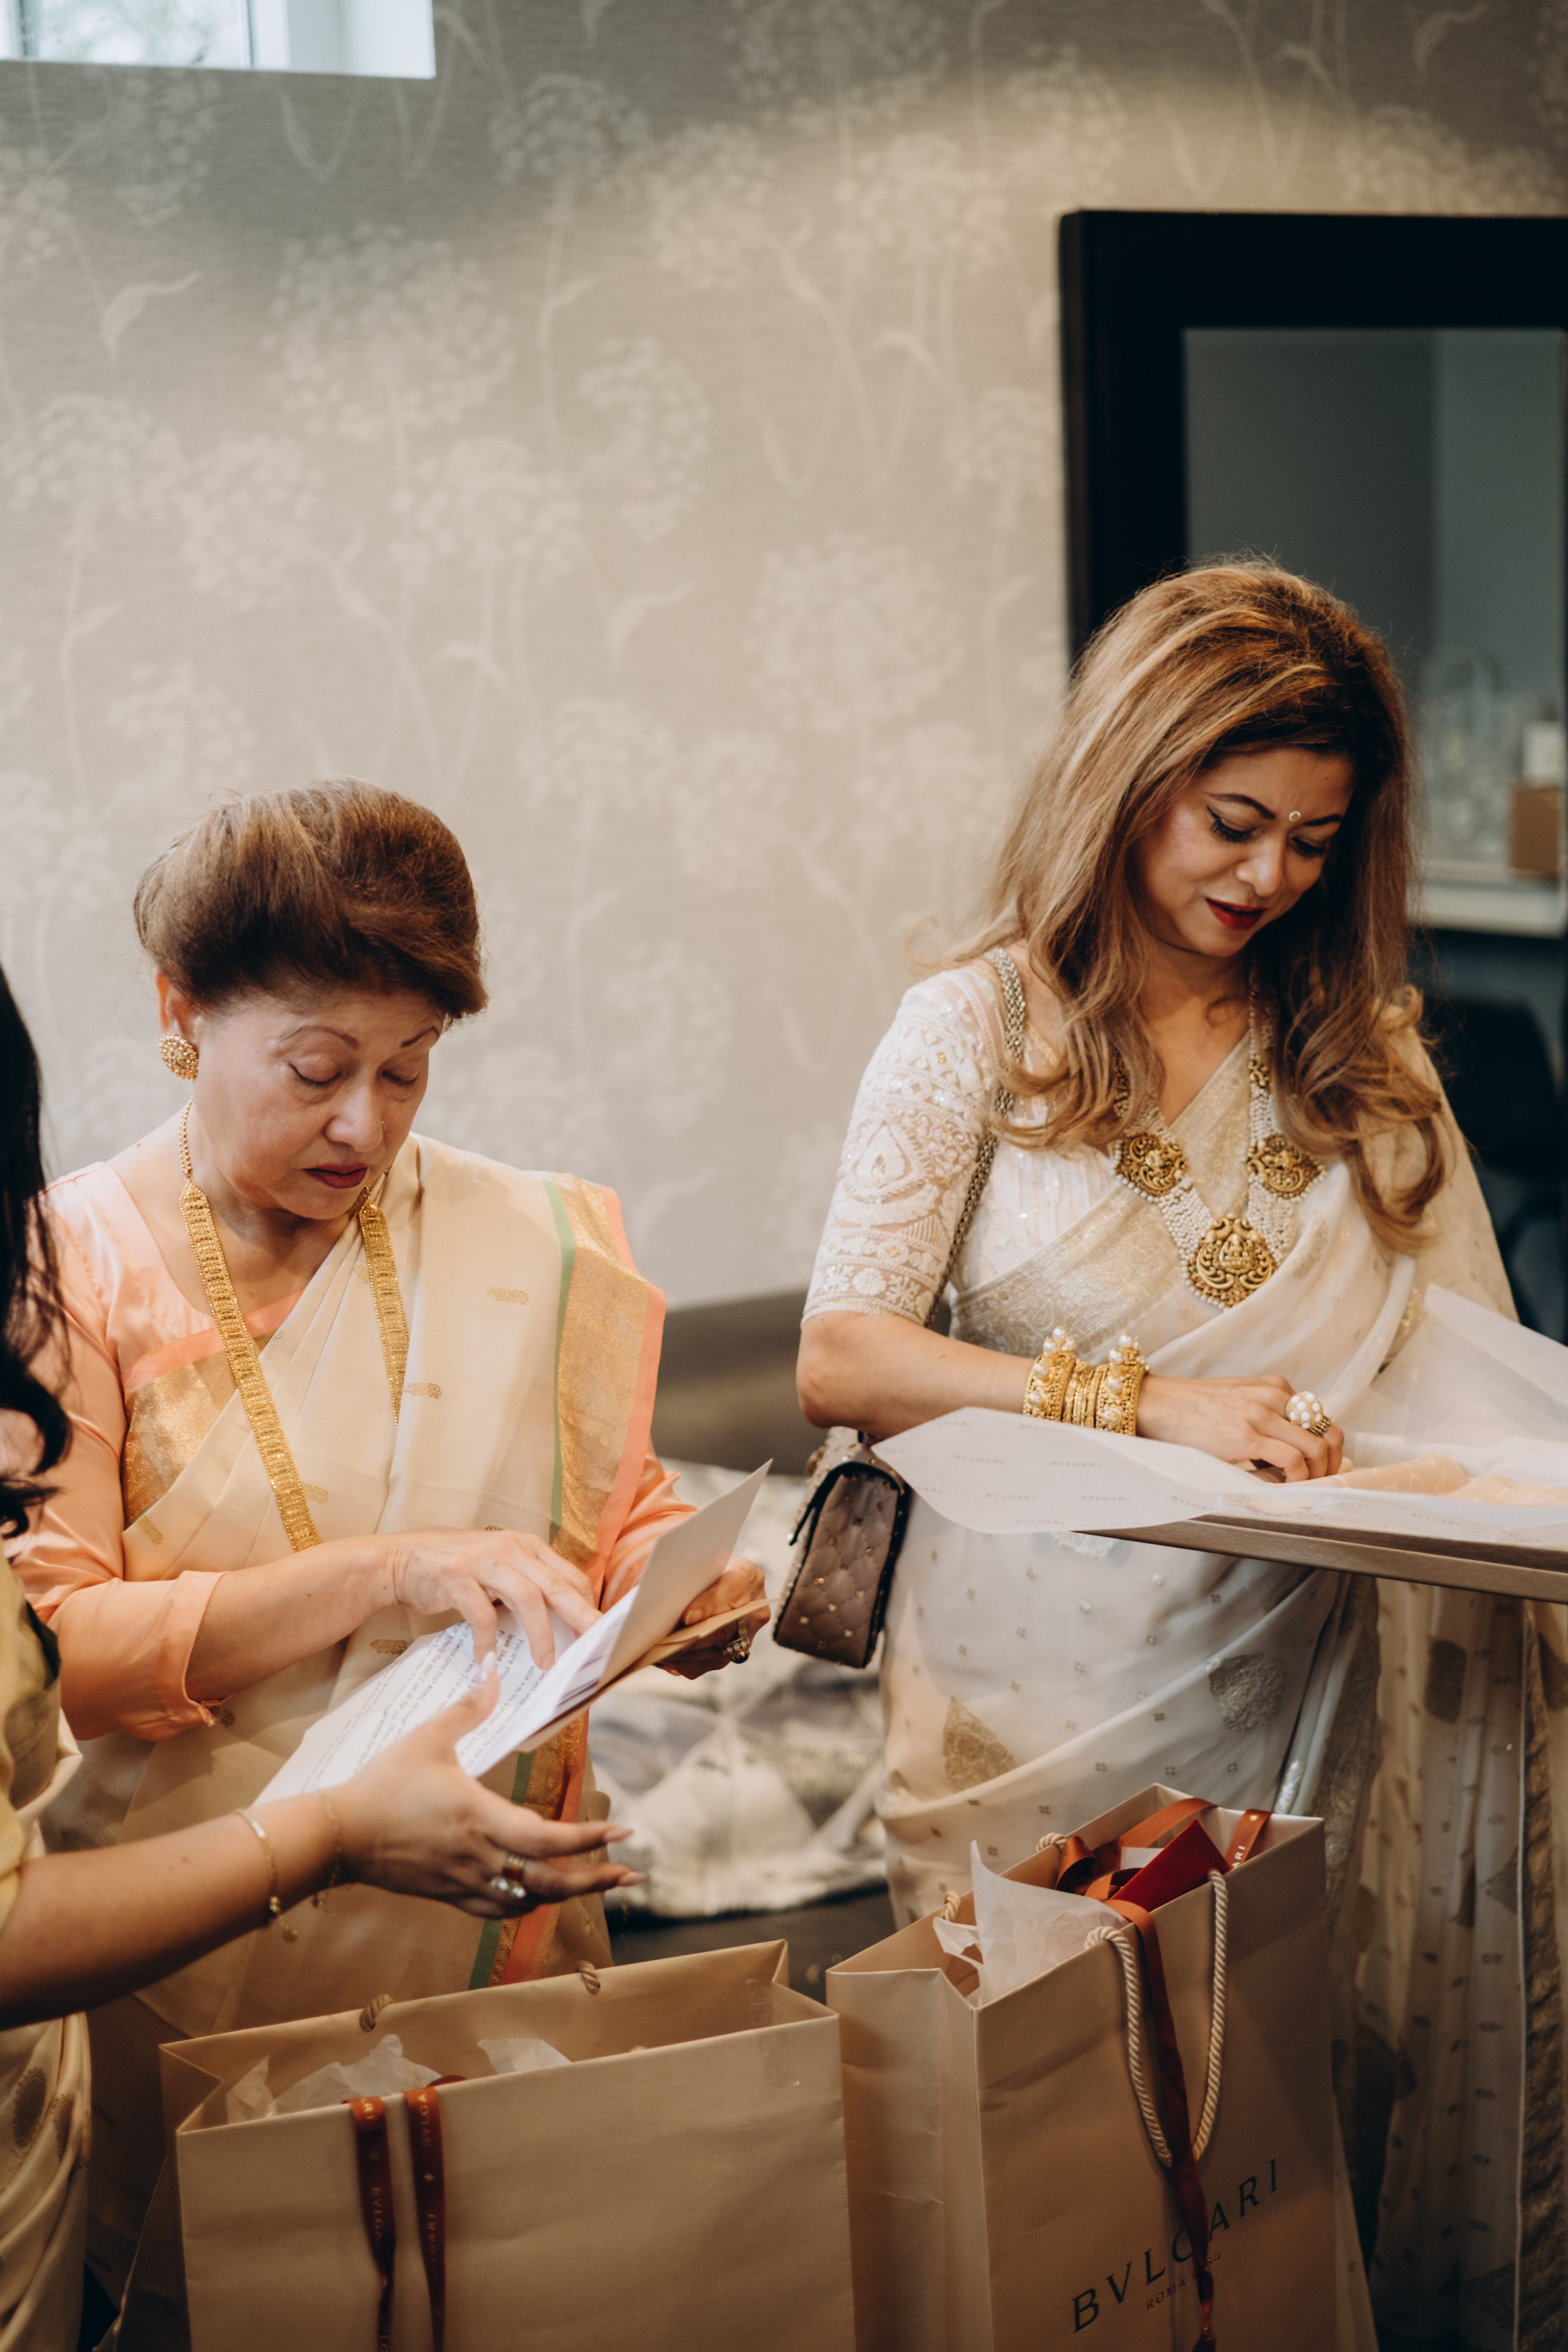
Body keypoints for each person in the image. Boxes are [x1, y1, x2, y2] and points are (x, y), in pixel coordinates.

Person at [798, 564, 1552, 2343]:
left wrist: (1426, 1489)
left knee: (1261, 2146)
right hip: (1022, 1684)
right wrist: (1140, 1400)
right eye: (1231, 823)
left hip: (1302, 1665)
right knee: (1044, 2148)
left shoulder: (1354, 1053)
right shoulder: (976, 1029)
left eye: (1313, 839)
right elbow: (844, 1356)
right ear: (1125, 778)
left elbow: (1461, 1367)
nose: (1268, 876)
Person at [9, 781, 766, 2319]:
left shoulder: (530, 1244)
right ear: (179, 1014)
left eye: (408, 1069)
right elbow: (60, 1654)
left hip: (493, 1905)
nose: (366, 1123)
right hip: (192, 1949)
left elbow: (610, 1505)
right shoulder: (71, 1270)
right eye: (317, 1070)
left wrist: (676, 1584)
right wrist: (388, 1569)